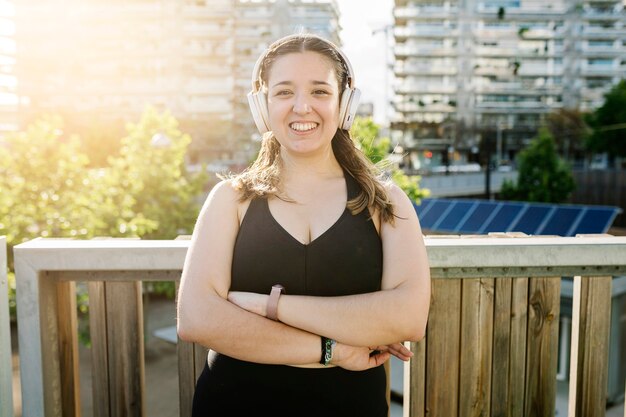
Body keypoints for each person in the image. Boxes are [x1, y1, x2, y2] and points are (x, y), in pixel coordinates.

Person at [177, 33, 431, 417]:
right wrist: (334, 349)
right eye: (283, 92)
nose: (301, 107)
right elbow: (196, 319)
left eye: (319, 92)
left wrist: (267, 306)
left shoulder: (386, 202)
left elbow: (408, 318)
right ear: (262, 106)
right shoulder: (231, 200)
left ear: (345, 103)